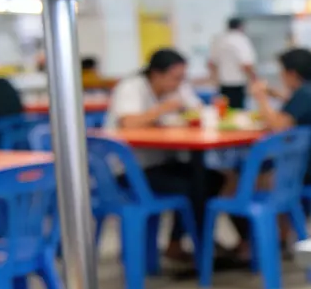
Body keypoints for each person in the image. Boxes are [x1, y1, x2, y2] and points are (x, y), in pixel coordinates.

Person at [107, 49, 219, 261]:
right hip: (131, 169)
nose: (179, 83)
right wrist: (163, 108)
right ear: (156, 75)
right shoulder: (132, 87)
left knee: (214, 178)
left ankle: (188, 242)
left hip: (162, 161)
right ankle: (197, 247)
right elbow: (128, 123)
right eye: (175, 78)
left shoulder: (177, 88)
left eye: (182, 77)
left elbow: (197, 110)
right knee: (196, 185)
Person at [249, 47, 311, 188]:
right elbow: (301, 107)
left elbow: (277, 127)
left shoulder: (304, 93)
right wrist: (277, 95)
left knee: (246, 176)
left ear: (292, 73)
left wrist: (260, 98)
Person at [206, 18, 256, 110]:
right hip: (238, 83)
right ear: (241, 27)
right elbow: (247, 64)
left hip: (223, 83)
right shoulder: (241, 40)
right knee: (238, 111)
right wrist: (254, 79)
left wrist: (213, 79)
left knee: (224, 109)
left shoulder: (219, 40)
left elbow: (211, 63)